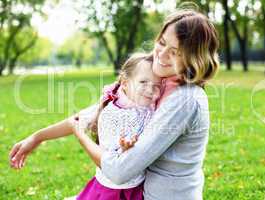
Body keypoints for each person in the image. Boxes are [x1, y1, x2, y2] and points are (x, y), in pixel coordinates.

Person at [9, 9, 219, 200]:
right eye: (162, 43)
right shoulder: (156, 75)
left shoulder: (186, 100)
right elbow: (98, 111)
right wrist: (38, 137)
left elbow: (119, 171)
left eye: (175, 52)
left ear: (194, 59)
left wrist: (80, 135)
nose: (162, 55)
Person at [72, 53, 161, 200]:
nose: (150, 90)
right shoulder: (114, 114)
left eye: (156, 85)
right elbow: (110, 160)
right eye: (143, 82)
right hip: (114, 189)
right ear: (125, 83)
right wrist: (124, 148)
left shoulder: (147, 108)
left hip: (137, 185)